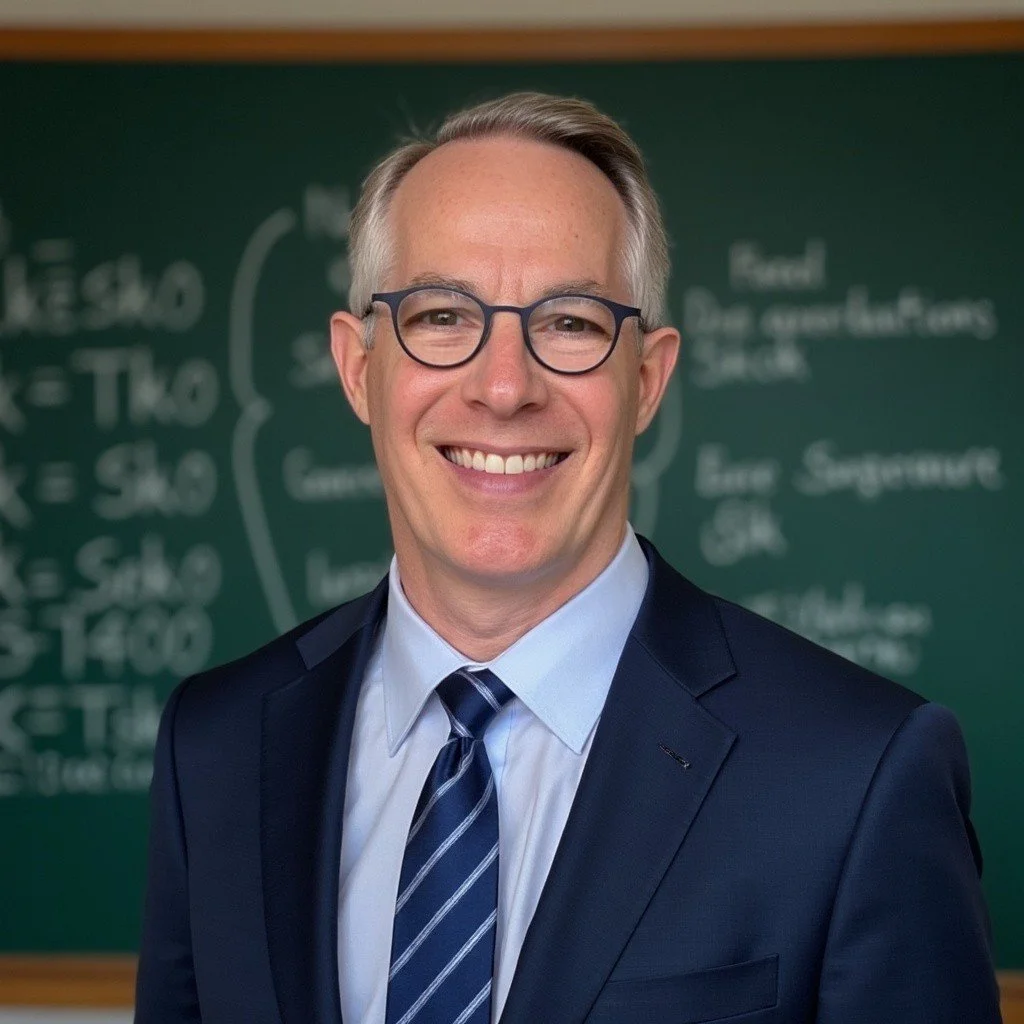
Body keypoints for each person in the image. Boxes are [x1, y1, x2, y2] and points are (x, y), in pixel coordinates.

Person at [135, 92, 1001, 1024]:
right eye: (440, 316)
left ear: (647, 378)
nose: (504, 386)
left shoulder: (859, 772)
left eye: (572, 323)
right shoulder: (216, 746)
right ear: (358, 368)